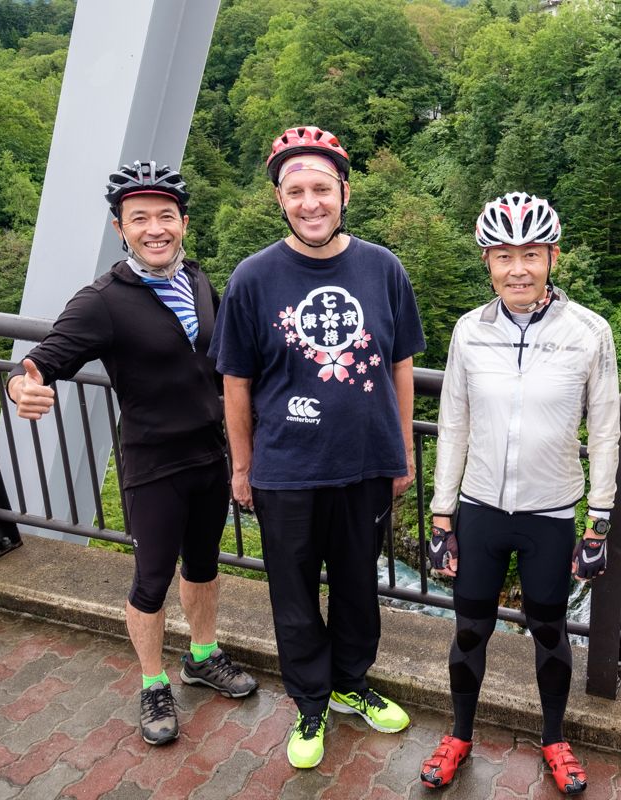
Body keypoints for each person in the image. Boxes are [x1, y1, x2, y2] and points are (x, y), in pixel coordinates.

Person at [7, 161, 259, 747]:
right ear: (120, 228)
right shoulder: (102, 300)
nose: (154, 228)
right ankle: (152, 682)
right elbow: (43, 360)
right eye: (138, 217)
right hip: (153, 464)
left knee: (203, 565)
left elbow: (226, 364)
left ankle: (201, 655)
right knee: (151, 582)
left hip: (209, 455)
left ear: (184, 223)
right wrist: (25, 386)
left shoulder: (197, 279)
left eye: (165, 216)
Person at [209, 125, 425, 770]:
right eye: (296, 190)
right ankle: (310, 702)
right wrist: (242, 468)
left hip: (364, 465)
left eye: (321, 188)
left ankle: (352, 684)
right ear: (280, 199)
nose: (310, 202)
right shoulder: (253, 278)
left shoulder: (383, 269)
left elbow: (401, 367)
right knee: (294, 592)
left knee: (359, 585)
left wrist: (403, 452)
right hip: (286, 469)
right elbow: (236, 382)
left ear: (344, 193)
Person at [418, 192, 620, 796]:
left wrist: (600, 521)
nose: (518, 269)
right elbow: (453, 423)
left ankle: (555, 739)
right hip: (479, 508)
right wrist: (441, 513)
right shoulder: (467, 331)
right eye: (504, 256)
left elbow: (605, 428)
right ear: (488, 261)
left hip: (552, 511)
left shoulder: (589, 331)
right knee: (470, 629)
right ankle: (459, 735)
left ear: (552, 256)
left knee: (550, 629)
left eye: (531, 254)